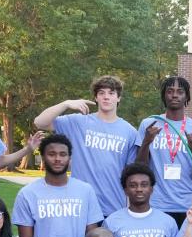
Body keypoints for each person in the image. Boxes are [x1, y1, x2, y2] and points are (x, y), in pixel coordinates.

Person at [12, 133, 102, 237]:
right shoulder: (28, 194)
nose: (57, 159)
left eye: (63, 154)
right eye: (52, 154)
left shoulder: (85, 191)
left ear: (70, 158)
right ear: (43, 157)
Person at [33, 75, 137, 216]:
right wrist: (66, 103)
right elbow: (40, 122)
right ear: (96, 98)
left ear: (118, 98)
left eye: (111, 93)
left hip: (113, 208)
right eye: (101, 93)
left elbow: (131, 174)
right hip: (79, 205)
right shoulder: (78, 122)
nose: (106, 97)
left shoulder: (130, 132)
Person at [134, 76, 192, 226]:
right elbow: (139, 169)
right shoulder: (149, 124)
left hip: (186, 206)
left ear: (187, 97)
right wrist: (146, 142)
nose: (175, 95)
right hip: (155, 204)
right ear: (164, 95)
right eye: (170, 91)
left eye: (180, 91)